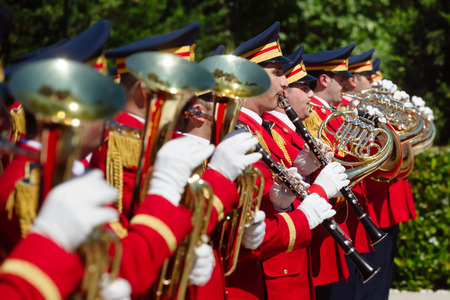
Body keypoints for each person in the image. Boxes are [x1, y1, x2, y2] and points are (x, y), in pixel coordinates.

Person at [224, 22, 348, 300]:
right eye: (277, 73)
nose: (284, 82)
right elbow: (245, 222)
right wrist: (316, 191)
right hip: (267, 274)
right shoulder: (240, 134)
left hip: (283, 268)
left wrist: (301, 174)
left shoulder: (257, 131)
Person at [302, 44, 364, 299]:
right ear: (325, 79)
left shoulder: (333, 112)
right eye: (341, 78)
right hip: (328, 217)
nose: (348, 84)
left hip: (343, 215)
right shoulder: (313, 115)